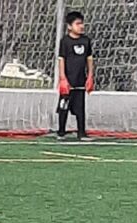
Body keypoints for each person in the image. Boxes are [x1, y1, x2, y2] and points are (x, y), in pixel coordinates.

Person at [57, 11, 95, 141]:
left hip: (80, 80)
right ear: (69, 26)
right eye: (78, 24)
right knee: (64, 106)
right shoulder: (65, 41)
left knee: (80, 107)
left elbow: (89, 59)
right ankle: (61, 132)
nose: (81, 26)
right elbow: (61, 59)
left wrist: (90, 77)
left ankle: (81, 133)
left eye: (82, 23)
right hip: (68, 80)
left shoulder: (86, 41)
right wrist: (62, 79)